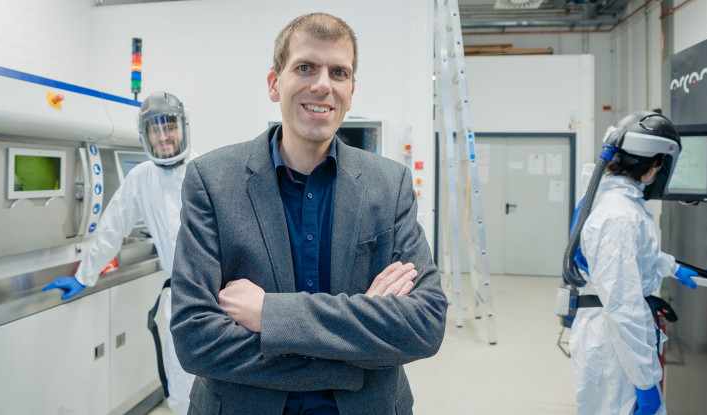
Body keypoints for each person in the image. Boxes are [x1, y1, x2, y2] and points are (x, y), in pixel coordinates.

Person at [170, 12, 447, 415]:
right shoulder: (212, 181)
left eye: (339, 72)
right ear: (273, 83)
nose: (322, 85)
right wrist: (352, 351)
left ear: (351, 91)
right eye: (305, 67)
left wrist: (271, 314)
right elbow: (196, 339)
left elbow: (425, 324)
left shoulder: (390, 187)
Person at [43, 91, 196, 415]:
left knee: (220, 389)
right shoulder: (141, 178)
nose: (163, 135)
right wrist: (85, 275)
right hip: (179, 301)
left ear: (183, 127)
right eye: (154, 129)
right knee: (182, 393)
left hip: (217, 299)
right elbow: (113, 226)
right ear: (145, 136)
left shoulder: (205, 169)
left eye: (169, 125)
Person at [567, 111, 698, 415]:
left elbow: (629, 257)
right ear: (655, 163)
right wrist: (646, 382)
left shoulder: (613, 202)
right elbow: (623, 307)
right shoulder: (618, 215)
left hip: (616, 341)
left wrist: (671, 267)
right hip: (616, 348)